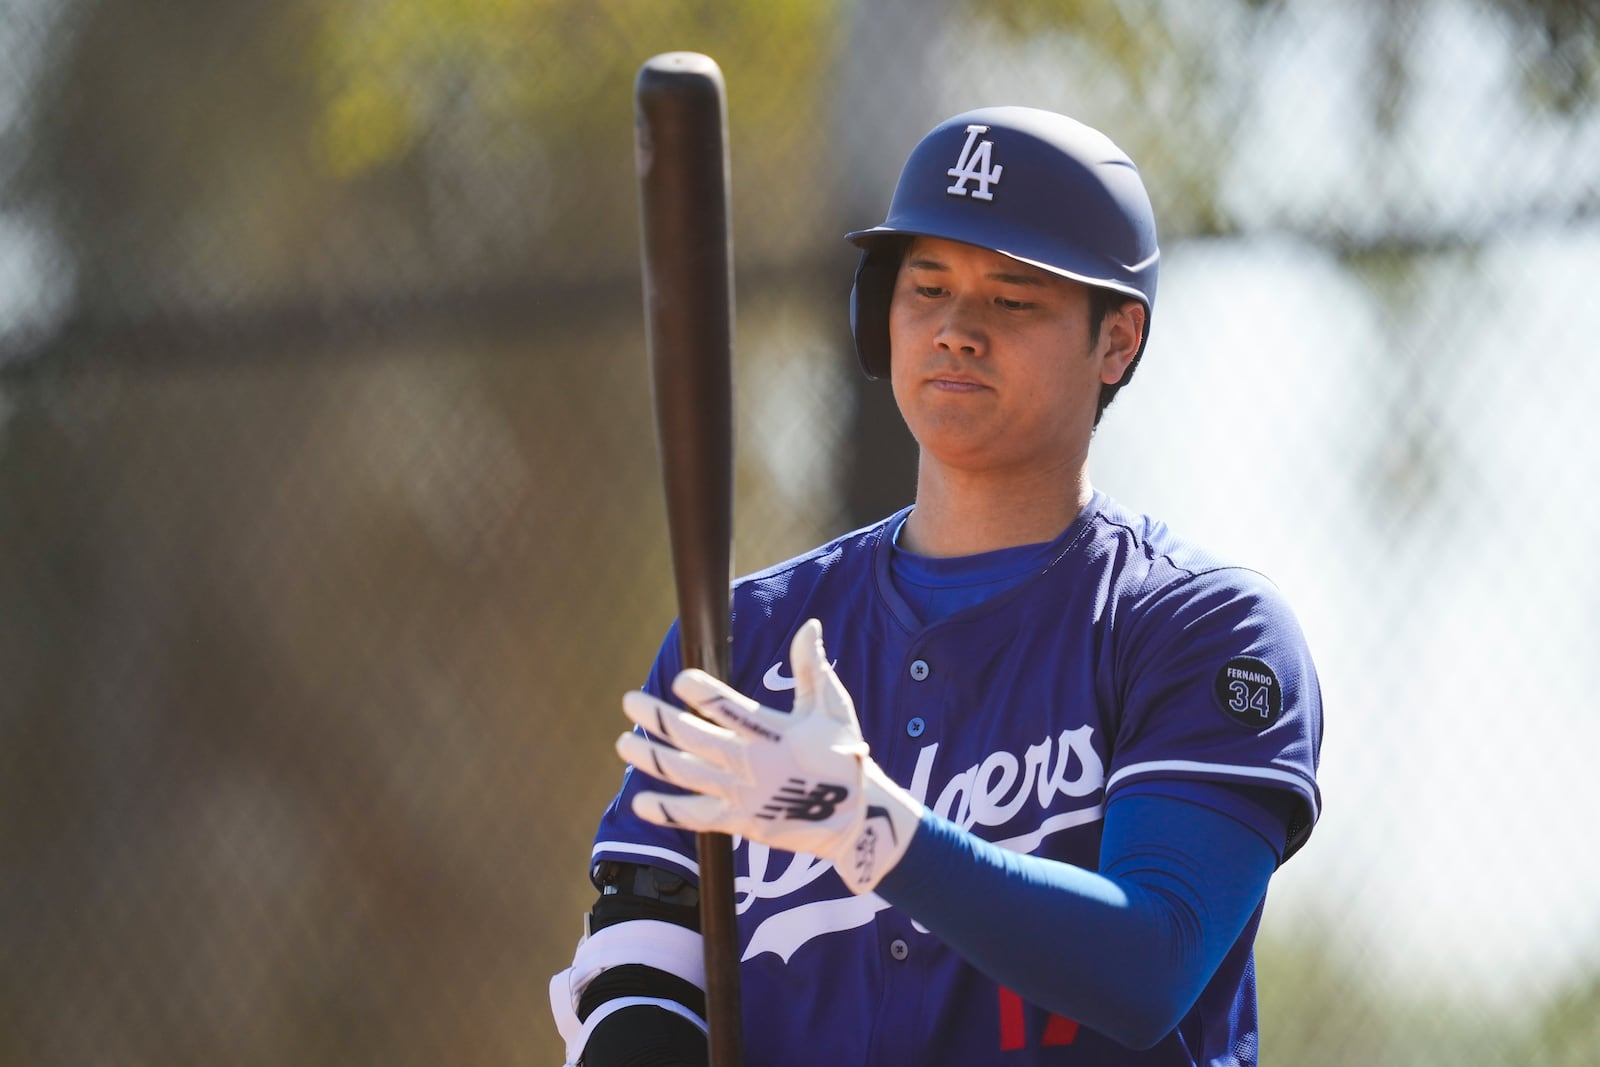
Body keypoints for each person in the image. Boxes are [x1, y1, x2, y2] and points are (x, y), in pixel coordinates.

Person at [550, 106, 1323, 1067]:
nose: (957, 330)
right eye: (927, 287)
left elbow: (1149, 962)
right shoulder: (744, 637)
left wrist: (866, 821)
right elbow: (647, 938)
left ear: (1116, 340)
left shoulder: (1198, 630)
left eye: (1013, 297)